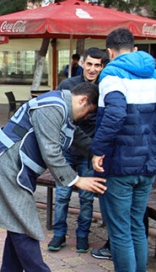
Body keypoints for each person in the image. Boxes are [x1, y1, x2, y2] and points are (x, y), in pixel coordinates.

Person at [0, 82, 107, 272]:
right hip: (6, 166)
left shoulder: (60, 106)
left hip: (14, 167)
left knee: (18, 222)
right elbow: (51, 152)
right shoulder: (53, 107)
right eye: (89, 111)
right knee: (25, 225)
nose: (86, 116)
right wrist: (76, 180)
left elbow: (75, 136)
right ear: (83, 100)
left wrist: (95, 153)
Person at [91, 28, 156, 272]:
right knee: (136, 226)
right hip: (148, 166)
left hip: (119, 166)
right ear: (133, 47)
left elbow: (115, 114)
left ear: (109, 51)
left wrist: (98, 150)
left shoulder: (111, 74)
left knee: (120, 231)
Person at [48, 47, 107, 253]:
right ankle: (59, 235)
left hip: (90, 152)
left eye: (97, 65)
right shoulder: (68, 85)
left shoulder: (105, 87)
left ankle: (83, 236)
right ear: (82, 63)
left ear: (102, 67)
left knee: (87, 197)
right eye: (89, 64)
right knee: (62, 195)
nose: (92, 69)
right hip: (67, 150)